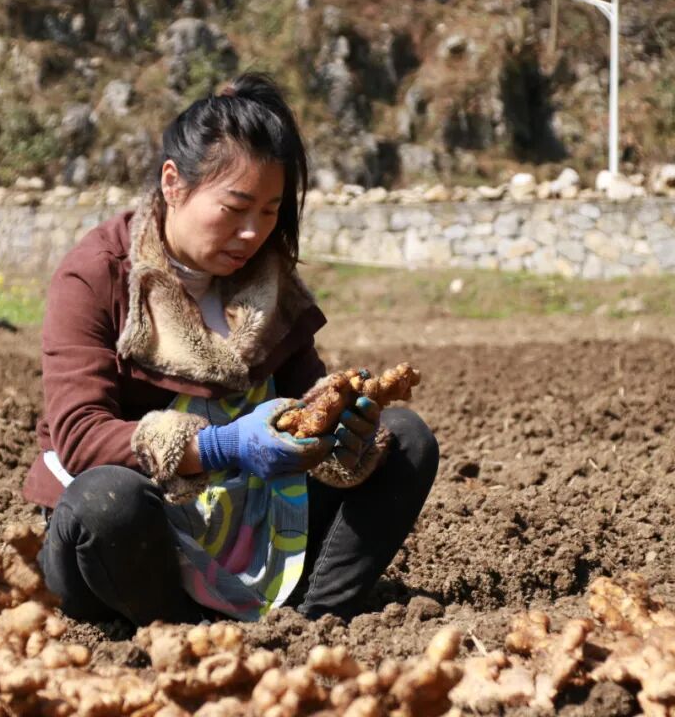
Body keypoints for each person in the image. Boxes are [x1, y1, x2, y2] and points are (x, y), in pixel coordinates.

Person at [23, 72, 439, 627]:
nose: (253, 234)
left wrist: (339, 435)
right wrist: (221, 447)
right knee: (107, 502)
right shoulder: (98, 276)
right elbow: (80, 436)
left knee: (404, 440)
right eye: (235, 208)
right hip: (137, 556)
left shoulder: (269, 286)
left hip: (253, 530)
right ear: (173, 183)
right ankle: (182, 632)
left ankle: (310, 625)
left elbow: (298, 406)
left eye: (270, 212)